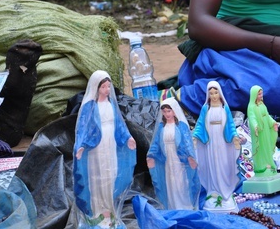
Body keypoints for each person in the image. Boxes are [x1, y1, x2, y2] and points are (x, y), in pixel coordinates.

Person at [73, 70, 137, 228]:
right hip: (97, 148)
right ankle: (98, 211)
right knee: (98, 177)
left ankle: (109, 209)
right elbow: (84, 128)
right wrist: (81, 145)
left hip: (110, 145)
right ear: (96, 88)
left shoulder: (110, 104)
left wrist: (127, 137)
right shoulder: (90, 106)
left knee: (110, 174)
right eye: (104, 87)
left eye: (109, 87)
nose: (107, 90)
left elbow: (119, 125)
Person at [192, 81, 240, 212]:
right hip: (210, 143)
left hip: (223, 142)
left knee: (223, 165)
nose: (213, 96)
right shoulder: (205, 108)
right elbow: (200, 124)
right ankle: (214, 191)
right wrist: (195, 137)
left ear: (220, 93)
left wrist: (235, 137)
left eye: (216, 92)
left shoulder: (225, 108)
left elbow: (230, 124)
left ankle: (225, 190)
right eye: (211, 93)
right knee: (212, 165)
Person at [147, 98, 200, 210]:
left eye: (169, 111)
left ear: (174, 111)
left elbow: (187, 143)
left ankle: (186, 206)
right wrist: (151, 155)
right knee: (171, 183)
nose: (166, 114)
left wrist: (190, 156)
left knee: (182, 183)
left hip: (179, 160)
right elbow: (156, 143)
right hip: (168, 160)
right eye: (164, 111)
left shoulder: (181, 126)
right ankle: (173, 206)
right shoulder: (161, 127)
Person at [247, 85, 278, 177]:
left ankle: (269, 163)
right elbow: (252, 118)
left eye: (261, 93)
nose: (261, 95)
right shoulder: (251, 107)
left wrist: (273, 123)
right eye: (259, 94)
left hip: (266, 131)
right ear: (254, 95)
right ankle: (261, 166)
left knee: (267, 147)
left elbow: (267, 116)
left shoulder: (262, 104)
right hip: (259, 132)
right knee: (261, 148)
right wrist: (255, 126)